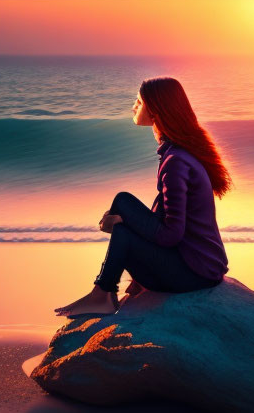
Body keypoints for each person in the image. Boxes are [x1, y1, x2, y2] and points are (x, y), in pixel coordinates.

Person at [54, 76, 233, 318]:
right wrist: (125, 224)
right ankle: (105, 293)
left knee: (123, 202)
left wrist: (121, 221)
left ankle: (103, 294)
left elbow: (171, 235)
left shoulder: (176, 161)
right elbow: (162, 217)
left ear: (155, 111)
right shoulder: (179, 154)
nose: (133, 106)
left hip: (195, 274)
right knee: (123, 220)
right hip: (202, 268)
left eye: (139, 102)